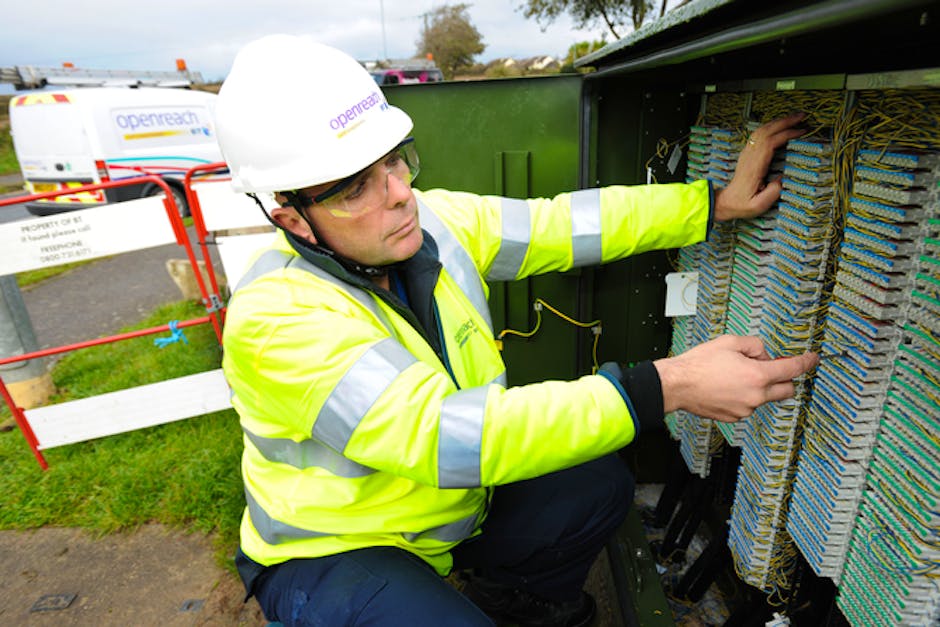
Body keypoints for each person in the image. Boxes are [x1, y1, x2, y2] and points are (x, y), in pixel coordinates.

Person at [213, 34, 818, 627]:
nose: (400, 195)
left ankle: (513, 602)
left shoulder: (431, 225)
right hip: (339, 551)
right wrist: (669, 385)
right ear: (293, 217)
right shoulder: (275, 318)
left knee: (598, 483)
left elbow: (560, 225)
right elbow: (442, 437)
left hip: (449, 507)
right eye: (355, 187)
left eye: (394, 160)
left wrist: (711, 204)